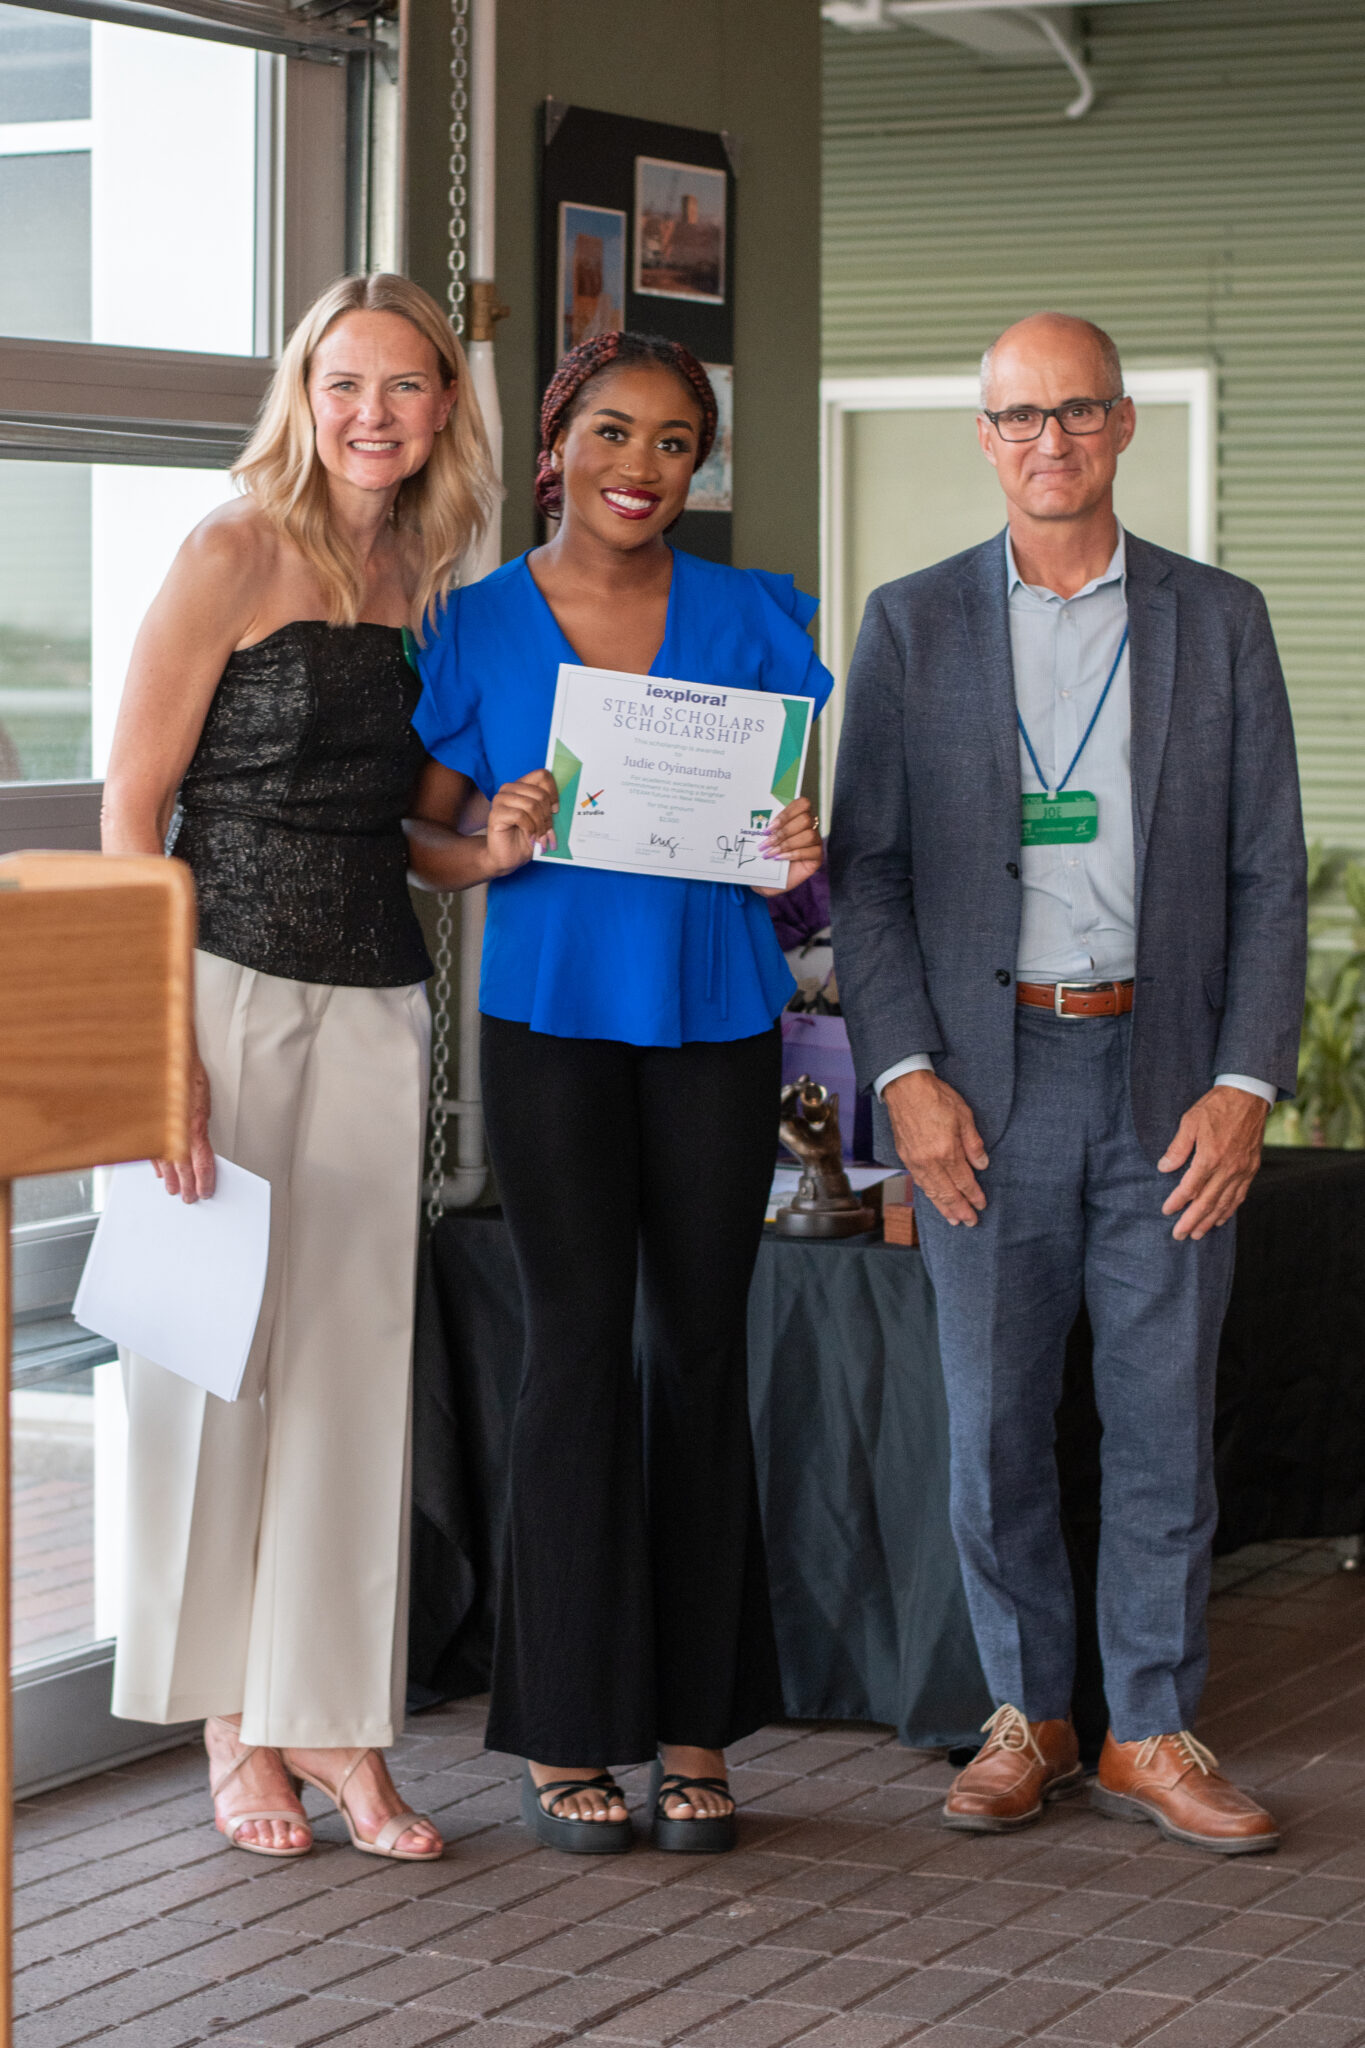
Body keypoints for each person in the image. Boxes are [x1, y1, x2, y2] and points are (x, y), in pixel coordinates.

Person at [830, 313, 1306, 1854]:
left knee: (1162, 1423)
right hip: (985, 1084)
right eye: (1020, 417)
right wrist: (903, 1074)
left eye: (1078, 411)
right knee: (993, 1427)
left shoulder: (1216, 621)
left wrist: (1244, 1082)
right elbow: (867, 874)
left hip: (1166, 1078)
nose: (1051, 441)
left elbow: (1267, 874)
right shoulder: (910, 626)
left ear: (1121, 425)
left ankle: (1147, 1729)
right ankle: (1025, 1718)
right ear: (984, 438)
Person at [404, 331, 831, 1853]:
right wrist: (491, 844)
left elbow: (794, 848)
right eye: (609, 431)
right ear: (555, 446)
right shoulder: (474, 626)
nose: (637, 466)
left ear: (697, 466)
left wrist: (796, 857)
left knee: (699, 1353)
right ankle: (567, 1730)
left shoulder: (754, 616)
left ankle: (696, 1726)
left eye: (670, 442)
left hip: (717, 1018)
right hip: (552, 1022)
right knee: (575, 1355)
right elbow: (421, 839)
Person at [101, 273, 498, 1861]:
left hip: (377, 999)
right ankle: (229, 1724)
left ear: (443, 406)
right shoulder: (229, 549)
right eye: (345, 384)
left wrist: (491, 847)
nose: (371, 414)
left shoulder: (434, 580)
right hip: (218, 988)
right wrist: (161, 1051)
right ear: (304, 394)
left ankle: (330, 1719)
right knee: (213, 1354)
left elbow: (400, 831)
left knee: (351, 1365)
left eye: (403, 386)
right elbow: (131, 810)